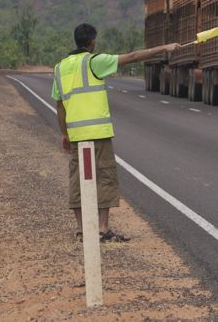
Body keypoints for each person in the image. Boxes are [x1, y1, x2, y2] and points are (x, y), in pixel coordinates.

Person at [51, 23, 179, 242]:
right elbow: (133, 56)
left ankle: (82, 229)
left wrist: (64, 134)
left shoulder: (60, 67)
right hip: (98, 133)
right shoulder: (94, 61)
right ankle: (101, 228)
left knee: (77, 180)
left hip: (76, 135)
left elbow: (60, 104)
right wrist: (163, 48)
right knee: (105, 177)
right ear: (92, 42)